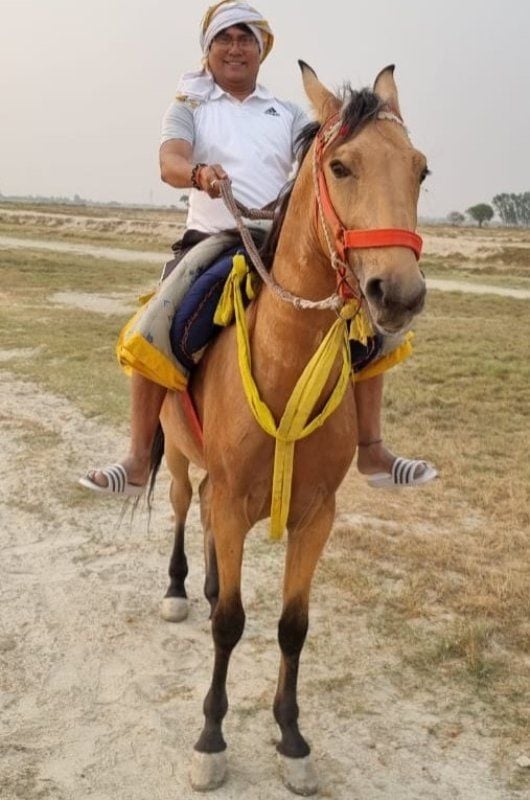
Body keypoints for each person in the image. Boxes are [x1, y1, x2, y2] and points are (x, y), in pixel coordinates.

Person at [80, 0, 437, 497]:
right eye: (224, 39)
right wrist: (199, 174)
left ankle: (372, 448)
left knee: (366, 322)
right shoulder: (189, 106)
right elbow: (170, 162)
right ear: (208, 51)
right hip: (213, 240)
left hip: (280, 243)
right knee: (157, 321)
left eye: (245, 38)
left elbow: (327, 154)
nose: (235, 47)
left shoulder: (287, 113)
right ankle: (140, 458)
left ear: (261, 50)